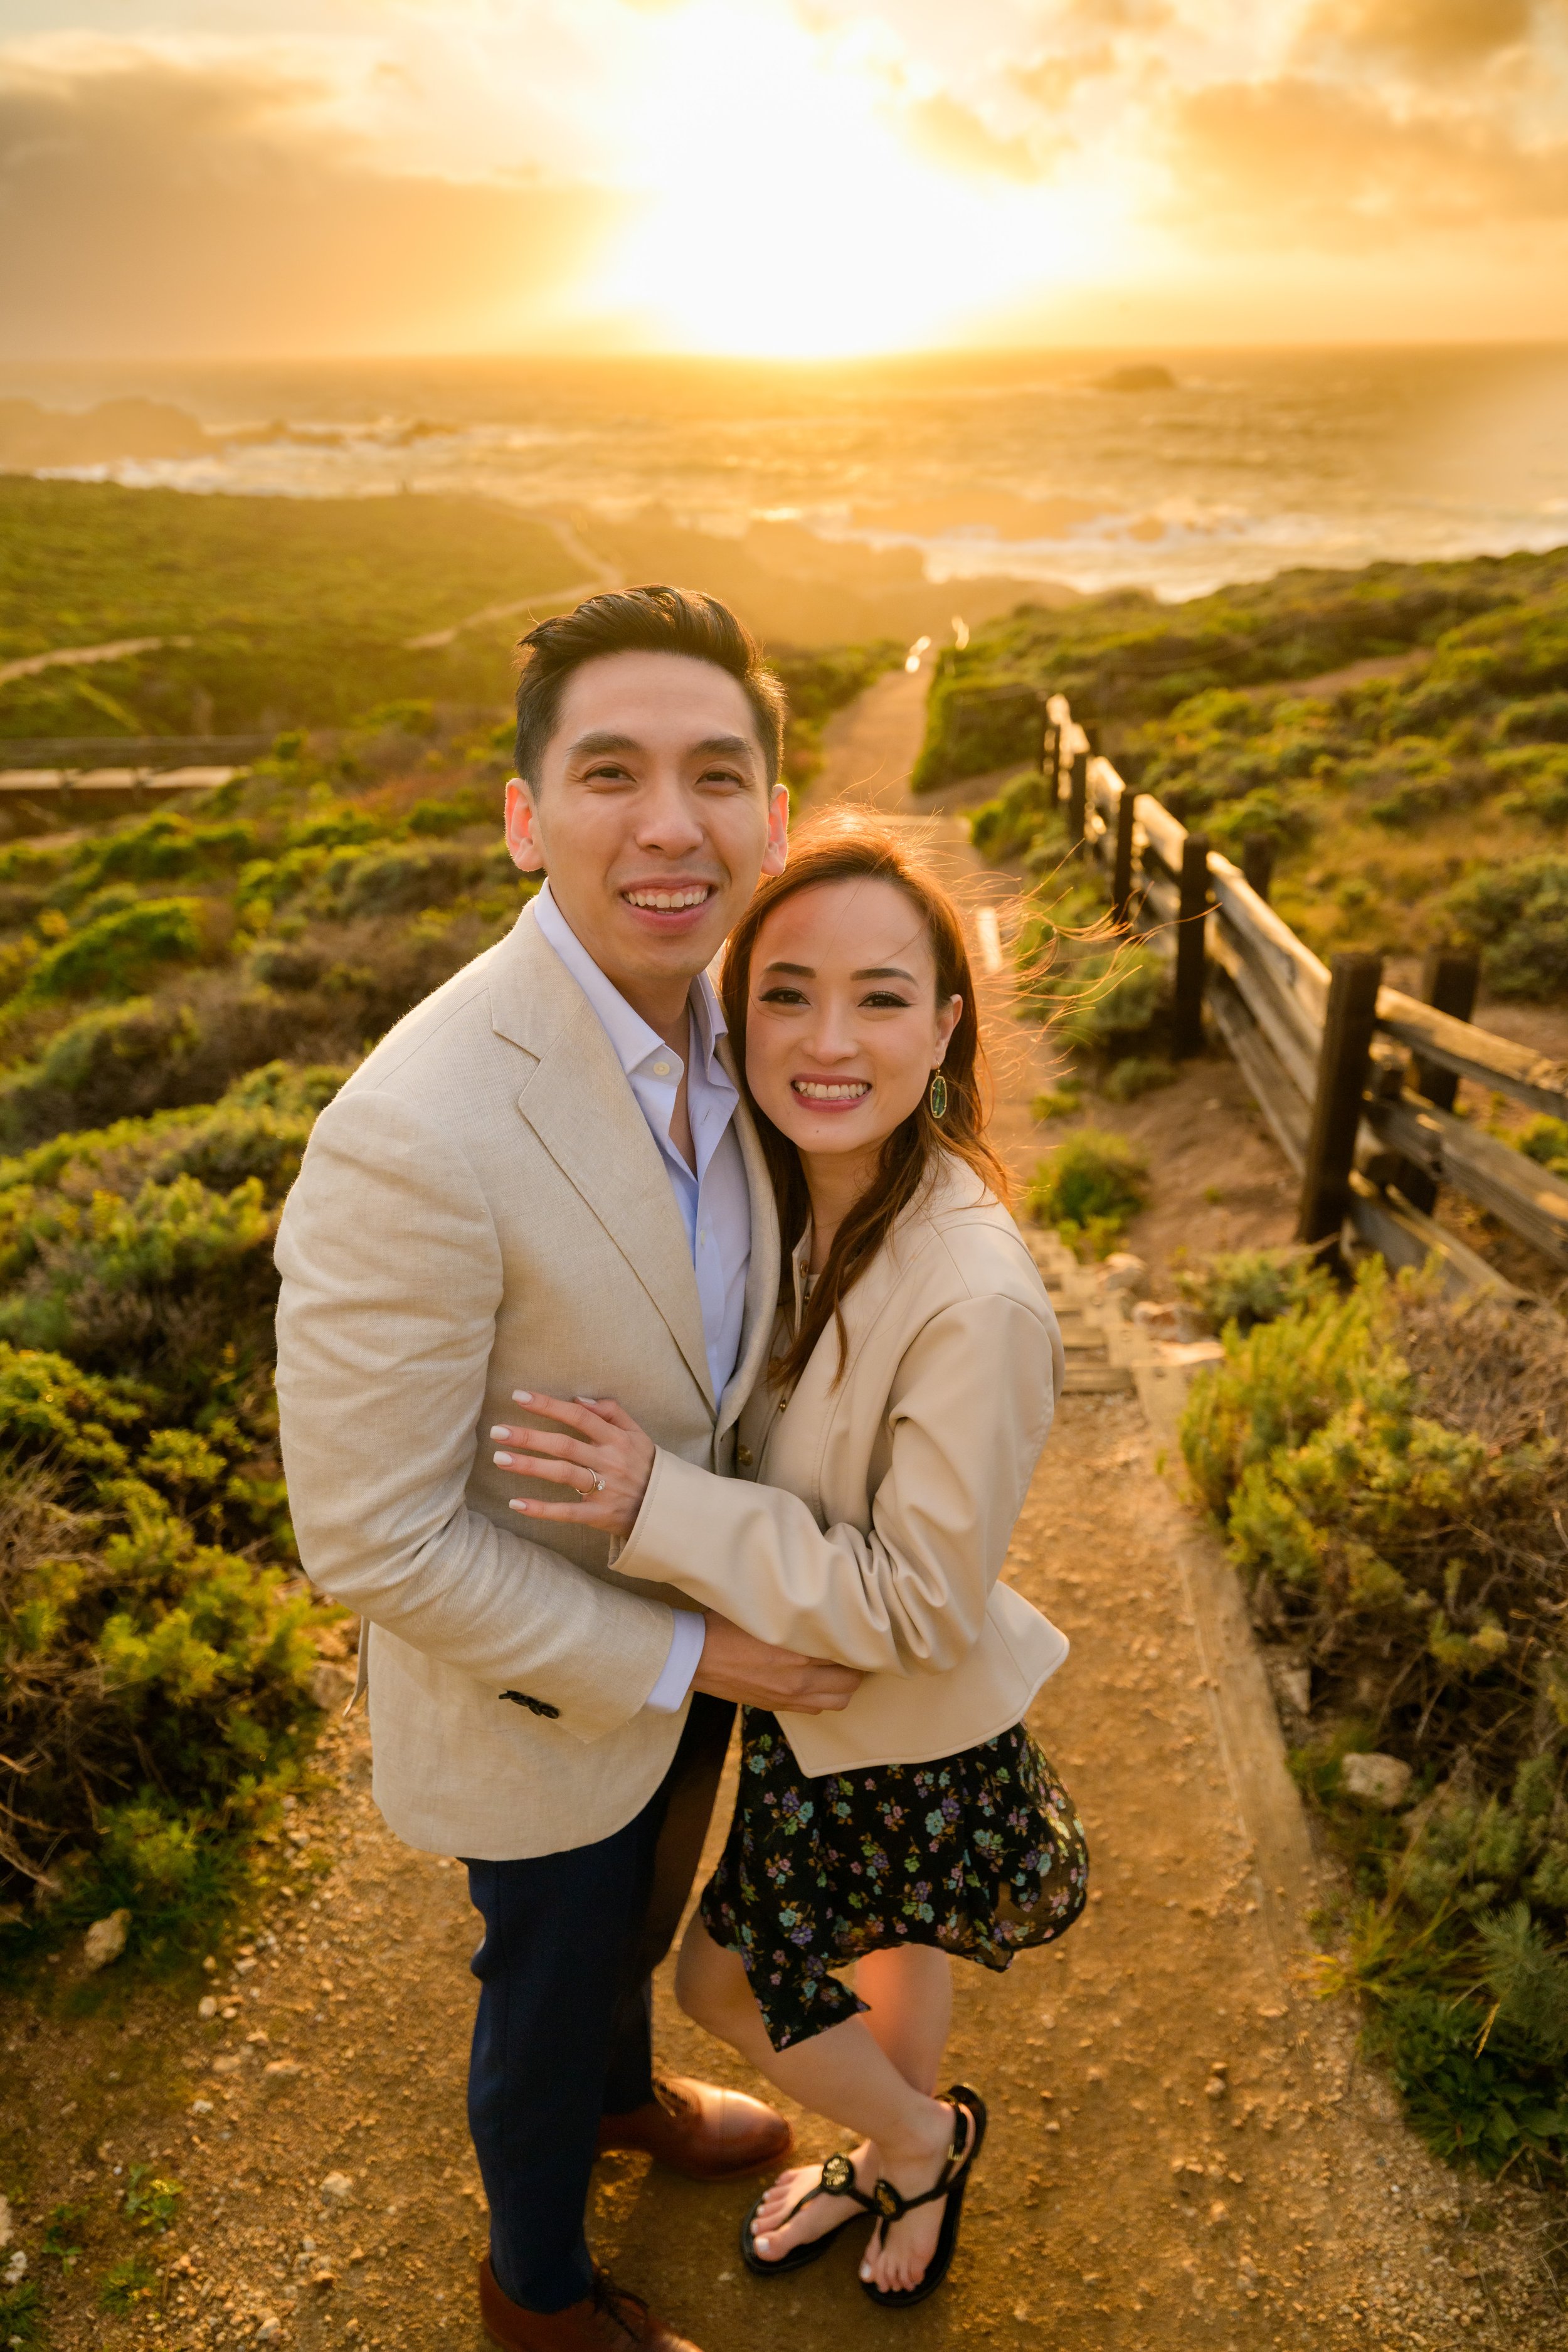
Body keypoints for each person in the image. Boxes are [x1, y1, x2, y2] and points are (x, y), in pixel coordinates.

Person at [273, 588, 866, 2352]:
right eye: (609, 771)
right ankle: (535, 2288)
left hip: (691, 1640)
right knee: (539, 1988)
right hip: (541, 1696)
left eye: (717, 773)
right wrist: (697, 1655)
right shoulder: (414, 1124)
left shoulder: (733, 1021)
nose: (670, 821)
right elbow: (369, 1532)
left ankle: (630, 2090)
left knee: (640, 1913)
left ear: (773, 808)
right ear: (523, 816)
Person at [490, 817, 1089, 2313]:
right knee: (892, 1943)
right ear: (731, 1007)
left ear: (946, 1026)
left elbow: (918, 1600)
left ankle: (915, 2141)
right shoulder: (777, 1194)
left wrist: (661, 1506)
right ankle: (896, 2154)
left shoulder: (973, 1294)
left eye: (881, 997)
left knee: (714, 1982)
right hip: (828, 1710)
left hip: (898, 1712)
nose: (829, 1040)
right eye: (785, 991)